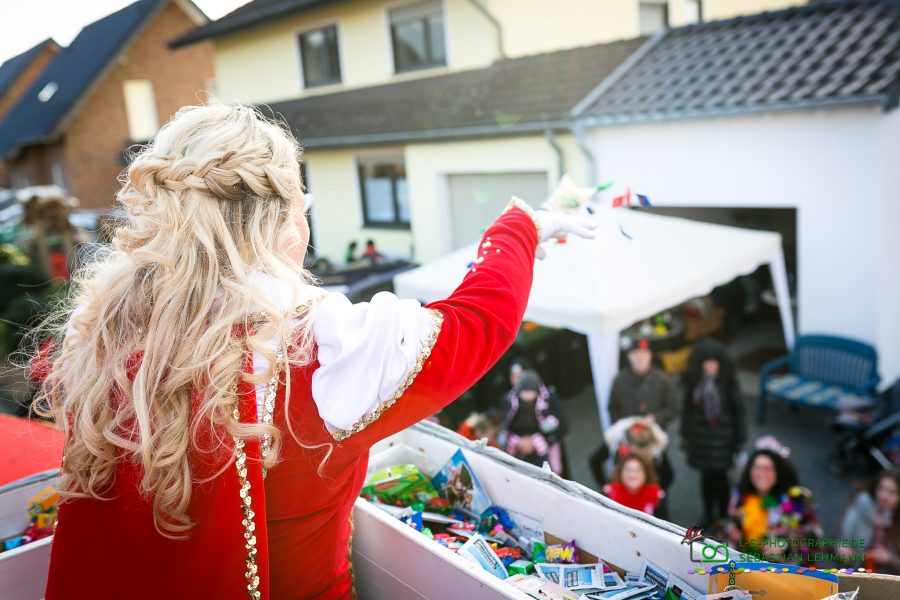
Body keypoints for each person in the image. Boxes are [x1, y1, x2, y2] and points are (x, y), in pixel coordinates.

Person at [32, 103, 597, 599]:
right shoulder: (314, 346)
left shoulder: (100, 329)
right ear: (280, 222)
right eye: (302, 205)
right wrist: (518, 229)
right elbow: (477, 322)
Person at [590, 337, 677, 494]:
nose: (640, 357)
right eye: (636, 353)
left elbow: (673, 409)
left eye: (644, 353)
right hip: (626, 442)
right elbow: (612, 408)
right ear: (629, 356)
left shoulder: (663, 380)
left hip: (650, 441)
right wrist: (624, 427)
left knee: (663, 475)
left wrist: (655, 419)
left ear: (650, 355)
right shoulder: (620, 380)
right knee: (598, 461)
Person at [681, 338, 746, 527]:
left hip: (723, 441)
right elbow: (687, 412)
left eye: (713, 362)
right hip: (701, 441)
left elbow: (739, 413)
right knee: (706, 479)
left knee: (722, 479)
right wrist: (685, 435)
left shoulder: (728, 384)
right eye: (706, 363)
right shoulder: (694, 384)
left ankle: (724, 512)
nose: (710, 367)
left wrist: (740, 440)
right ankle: (708, 513)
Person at [725, 442, 822, 564]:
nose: (761, 473)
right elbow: (730, 523)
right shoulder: (740, 497)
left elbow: (816, 540)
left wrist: (786, 546)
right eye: (757, 467)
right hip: (748, 569)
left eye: (768, 468)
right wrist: (732, 532)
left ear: (779, 472)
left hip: (787, 574)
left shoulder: (797, 499)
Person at [498, 370, 567, 475]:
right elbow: (504, 424)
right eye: (525, 392)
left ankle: (547, 473)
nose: (528, 396)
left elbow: (556, 424)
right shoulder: (510, 402)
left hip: (538, 437)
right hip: (516, 438)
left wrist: (545, 430)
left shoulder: (544, 401)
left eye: (531, 392)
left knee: (544, 456)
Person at [838, 469, 900, 574]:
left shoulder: (896, 521)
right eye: (881, 488)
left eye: (892, 492)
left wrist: (890, 559)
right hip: (855, 572)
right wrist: (840, 547)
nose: (884, 496)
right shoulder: (861, 505)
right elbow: (834, 539)